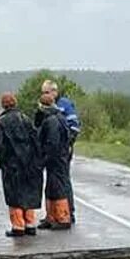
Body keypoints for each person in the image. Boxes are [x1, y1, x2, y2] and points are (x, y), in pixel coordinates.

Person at [0, 92, 44, 237]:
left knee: (14, 195)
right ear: (15, 103)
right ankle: (30, 224)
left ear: (3, 105)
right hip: (30, 164)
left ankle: (18, 226)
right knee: (29, 193)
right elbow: (36, 141)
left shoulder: (1, 122)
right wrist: (38, 161)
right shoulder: (26, 119)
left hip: (12, 165)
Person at [39, 79, 79, 219]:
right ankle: (53, 214)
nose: (45, 95)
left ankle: (69, 212)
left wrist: (66, 145)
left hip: (62, 149)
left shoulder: (64, 104)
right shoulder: (47, 107)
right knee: (51, 182)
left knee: (63, 180)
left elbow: (74, 126)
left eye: (47, 92)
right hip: (50, 150)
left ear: (55, 92)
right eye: (43, 92)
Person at [36, 95, 74, 230]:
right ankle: (51, 217)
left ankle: (63, 218)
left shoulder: (52, 121)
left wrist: (45, 159)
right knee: (51, 189)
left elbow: (52, 143)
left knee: (58, 189)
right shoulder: (58, 117)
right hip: (59, 158)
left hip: (56, 159)